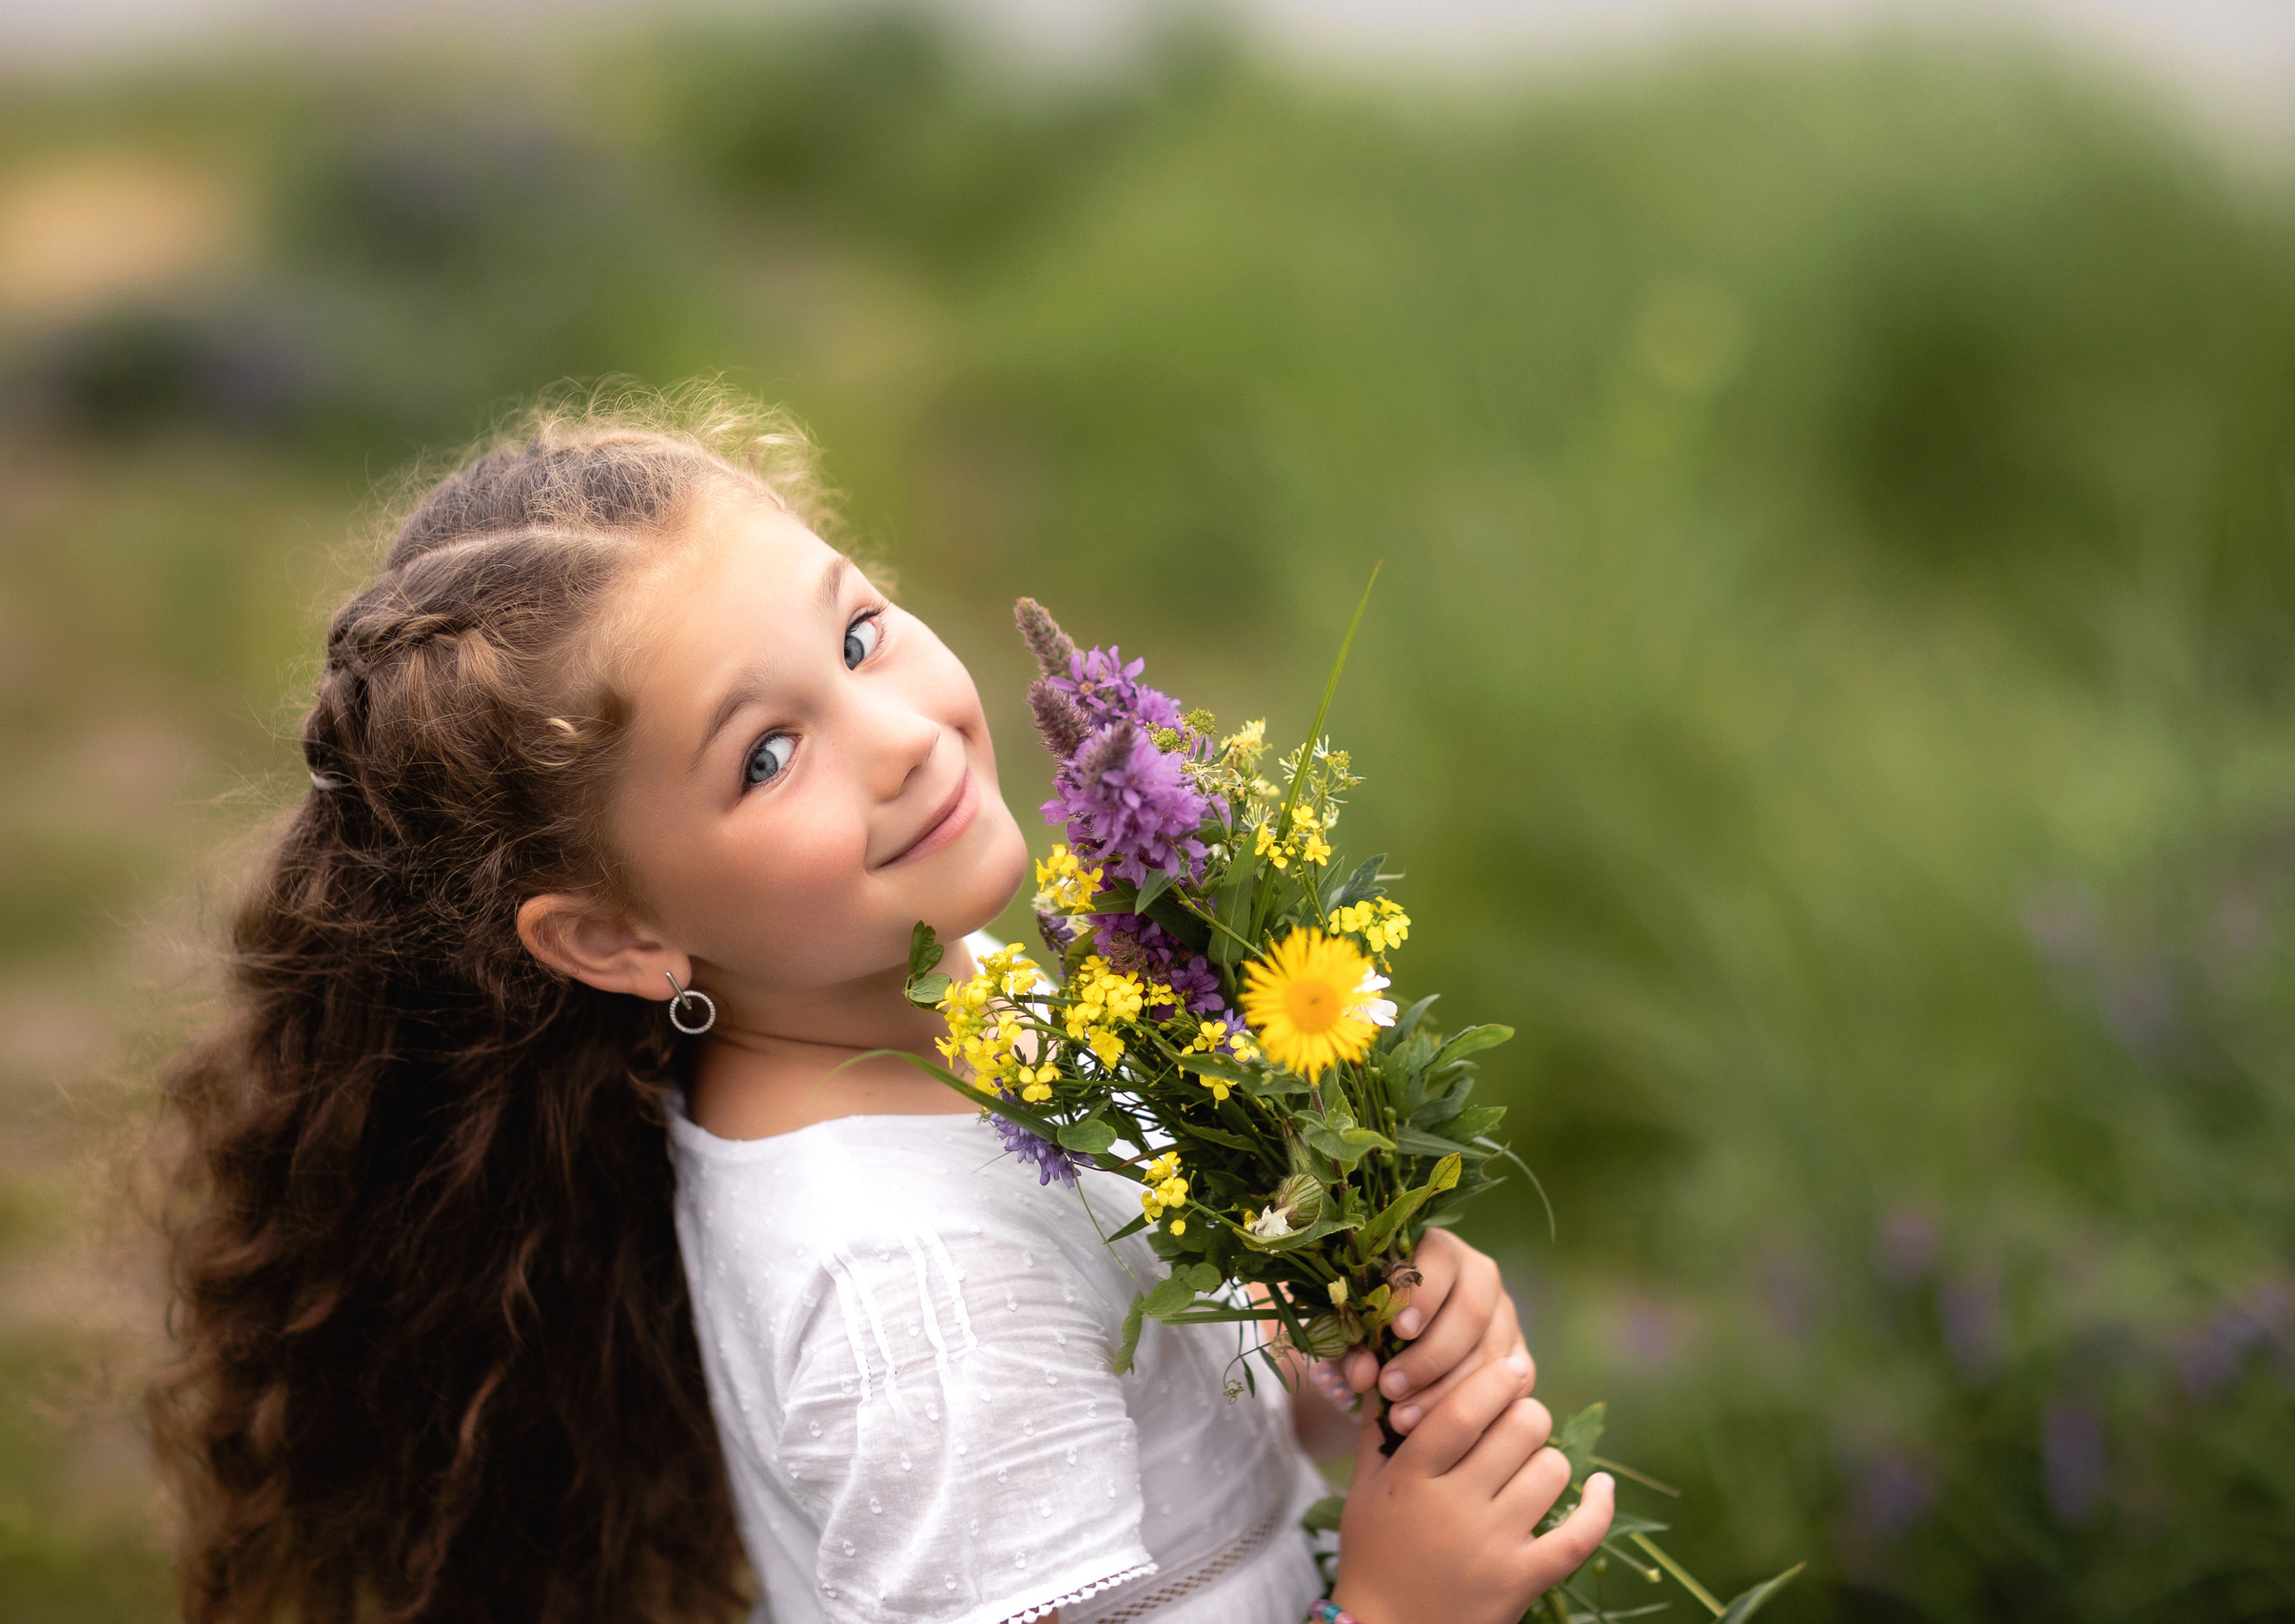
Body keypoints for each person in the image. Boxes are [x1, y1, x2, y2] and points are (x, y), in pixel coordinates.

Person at [152, 387, 1614, 1624]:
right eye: (767, 755)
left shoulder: (954, 1014)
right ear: (614, 934)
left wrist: (1324, 1367)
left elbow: (1156, 1445)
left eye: (857, 639)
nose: (905, 738)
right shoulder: (913, 1303)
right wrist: (1396, 1609)